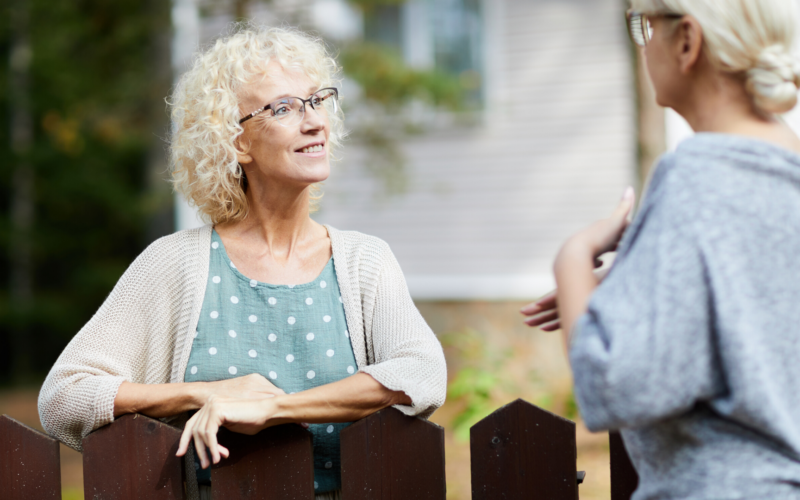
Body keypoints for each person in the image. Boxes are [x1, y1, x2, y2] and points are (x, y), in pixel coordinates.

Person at [38, 25, 447, 500]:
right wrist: (203, 394)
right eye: (284, 108)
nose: (314, 121)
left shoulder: (364, 260)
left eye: (316, 101)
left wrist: (276, 408)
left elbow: (421, 372)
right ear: (236, 143)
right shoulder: (174, 263)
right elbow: (63, 396)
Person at [525, 0, 800, 498]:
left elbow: (614, 391)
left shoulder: (696, 176)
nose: (644, 45)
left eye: (645, 25)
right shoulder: (782, 174)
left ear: (688, 41)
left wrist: (574, 258)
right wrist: (636, 274)